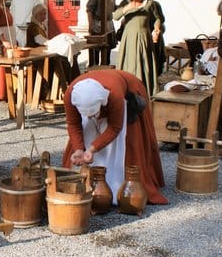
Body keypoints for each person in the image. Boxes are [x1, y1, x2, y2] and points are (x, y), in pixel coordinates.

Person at [62, 69, 168, 205]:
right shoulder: (71, 95)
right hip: (101, 93)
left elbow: (114, 128)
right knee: (87, 129)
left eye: (93, 113)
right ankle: (93, 183)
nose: (90, 118)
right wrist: (78, 149)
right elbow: (73, 124)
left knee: (125, 141)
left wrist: (92, 149)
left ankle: (117, 185)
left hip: (126, 89)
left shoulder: (114, 95)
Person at [112, 0, 163, 95]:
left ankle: (144, 89)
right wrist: (127, 8)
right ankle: (129, 89)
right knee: (129, 63)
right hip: (129, 38)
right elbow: (115, 16)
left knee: (145, 63)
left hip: (144, 37)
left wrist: (157, 28)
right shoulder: (125, 3)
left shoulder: (149, 3)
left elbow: (157, 18)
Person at [86, 0, 118, 66]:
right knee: (96, 47)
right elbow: (89, 9)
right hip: (97, 23)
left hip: (108, 24)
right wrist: (91, 24)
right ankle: (94, 66)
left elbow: (113, 8)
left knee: (108, 47)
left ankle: (105, 65)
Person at [143, 0, 167, 73]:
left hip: (151, 33)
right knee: (155, 55)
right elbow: (162, 19)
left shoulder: (152, 4)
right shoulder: (155, 3)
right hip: (153, 34)